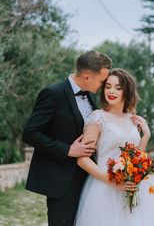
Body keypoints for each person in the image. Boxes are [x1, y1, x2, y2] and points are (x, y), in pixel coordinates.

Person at [22, 50, 112, 226]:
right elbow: (30, 132)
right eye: (102, 81)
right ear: (87, 77)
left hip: (89, 180)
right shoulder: (52, 94)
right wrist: (67, 149)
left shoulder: (91, 97)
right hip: (62, 181)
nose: (104, 85)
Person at [74, 68, 154, 226]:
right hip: (104, 188)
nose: (111, 91)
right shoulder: (97, 118)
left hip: (131, 187)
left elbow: (136, 158)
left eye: (118, 87)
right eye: (108, 86)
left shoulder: (133, 119)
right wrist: (113, 182)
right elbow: (82, 160)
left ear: (127, 90)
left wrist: (146, 135)